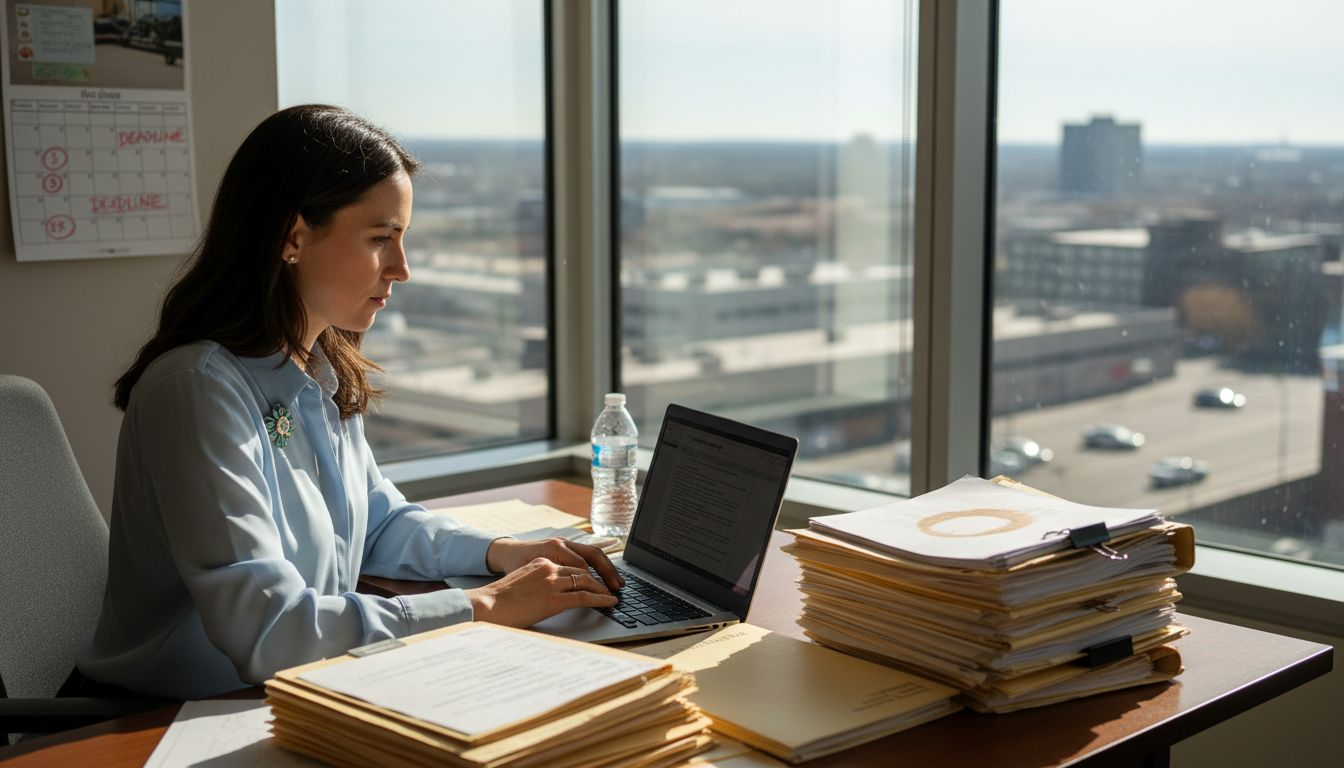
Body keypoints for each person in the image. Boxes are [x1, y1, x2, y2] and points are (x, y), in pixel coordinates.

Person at [77, 105, 621, 700]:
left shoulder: (317, 368)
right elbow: (269, 631)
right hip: (161, 718)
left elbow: (376, 523)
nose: (402, 269)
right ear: (293, 235)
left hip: (296, 688)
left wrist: (499, 553)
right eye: (381, 239)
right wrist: (482, 605)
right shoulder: (197, 389)